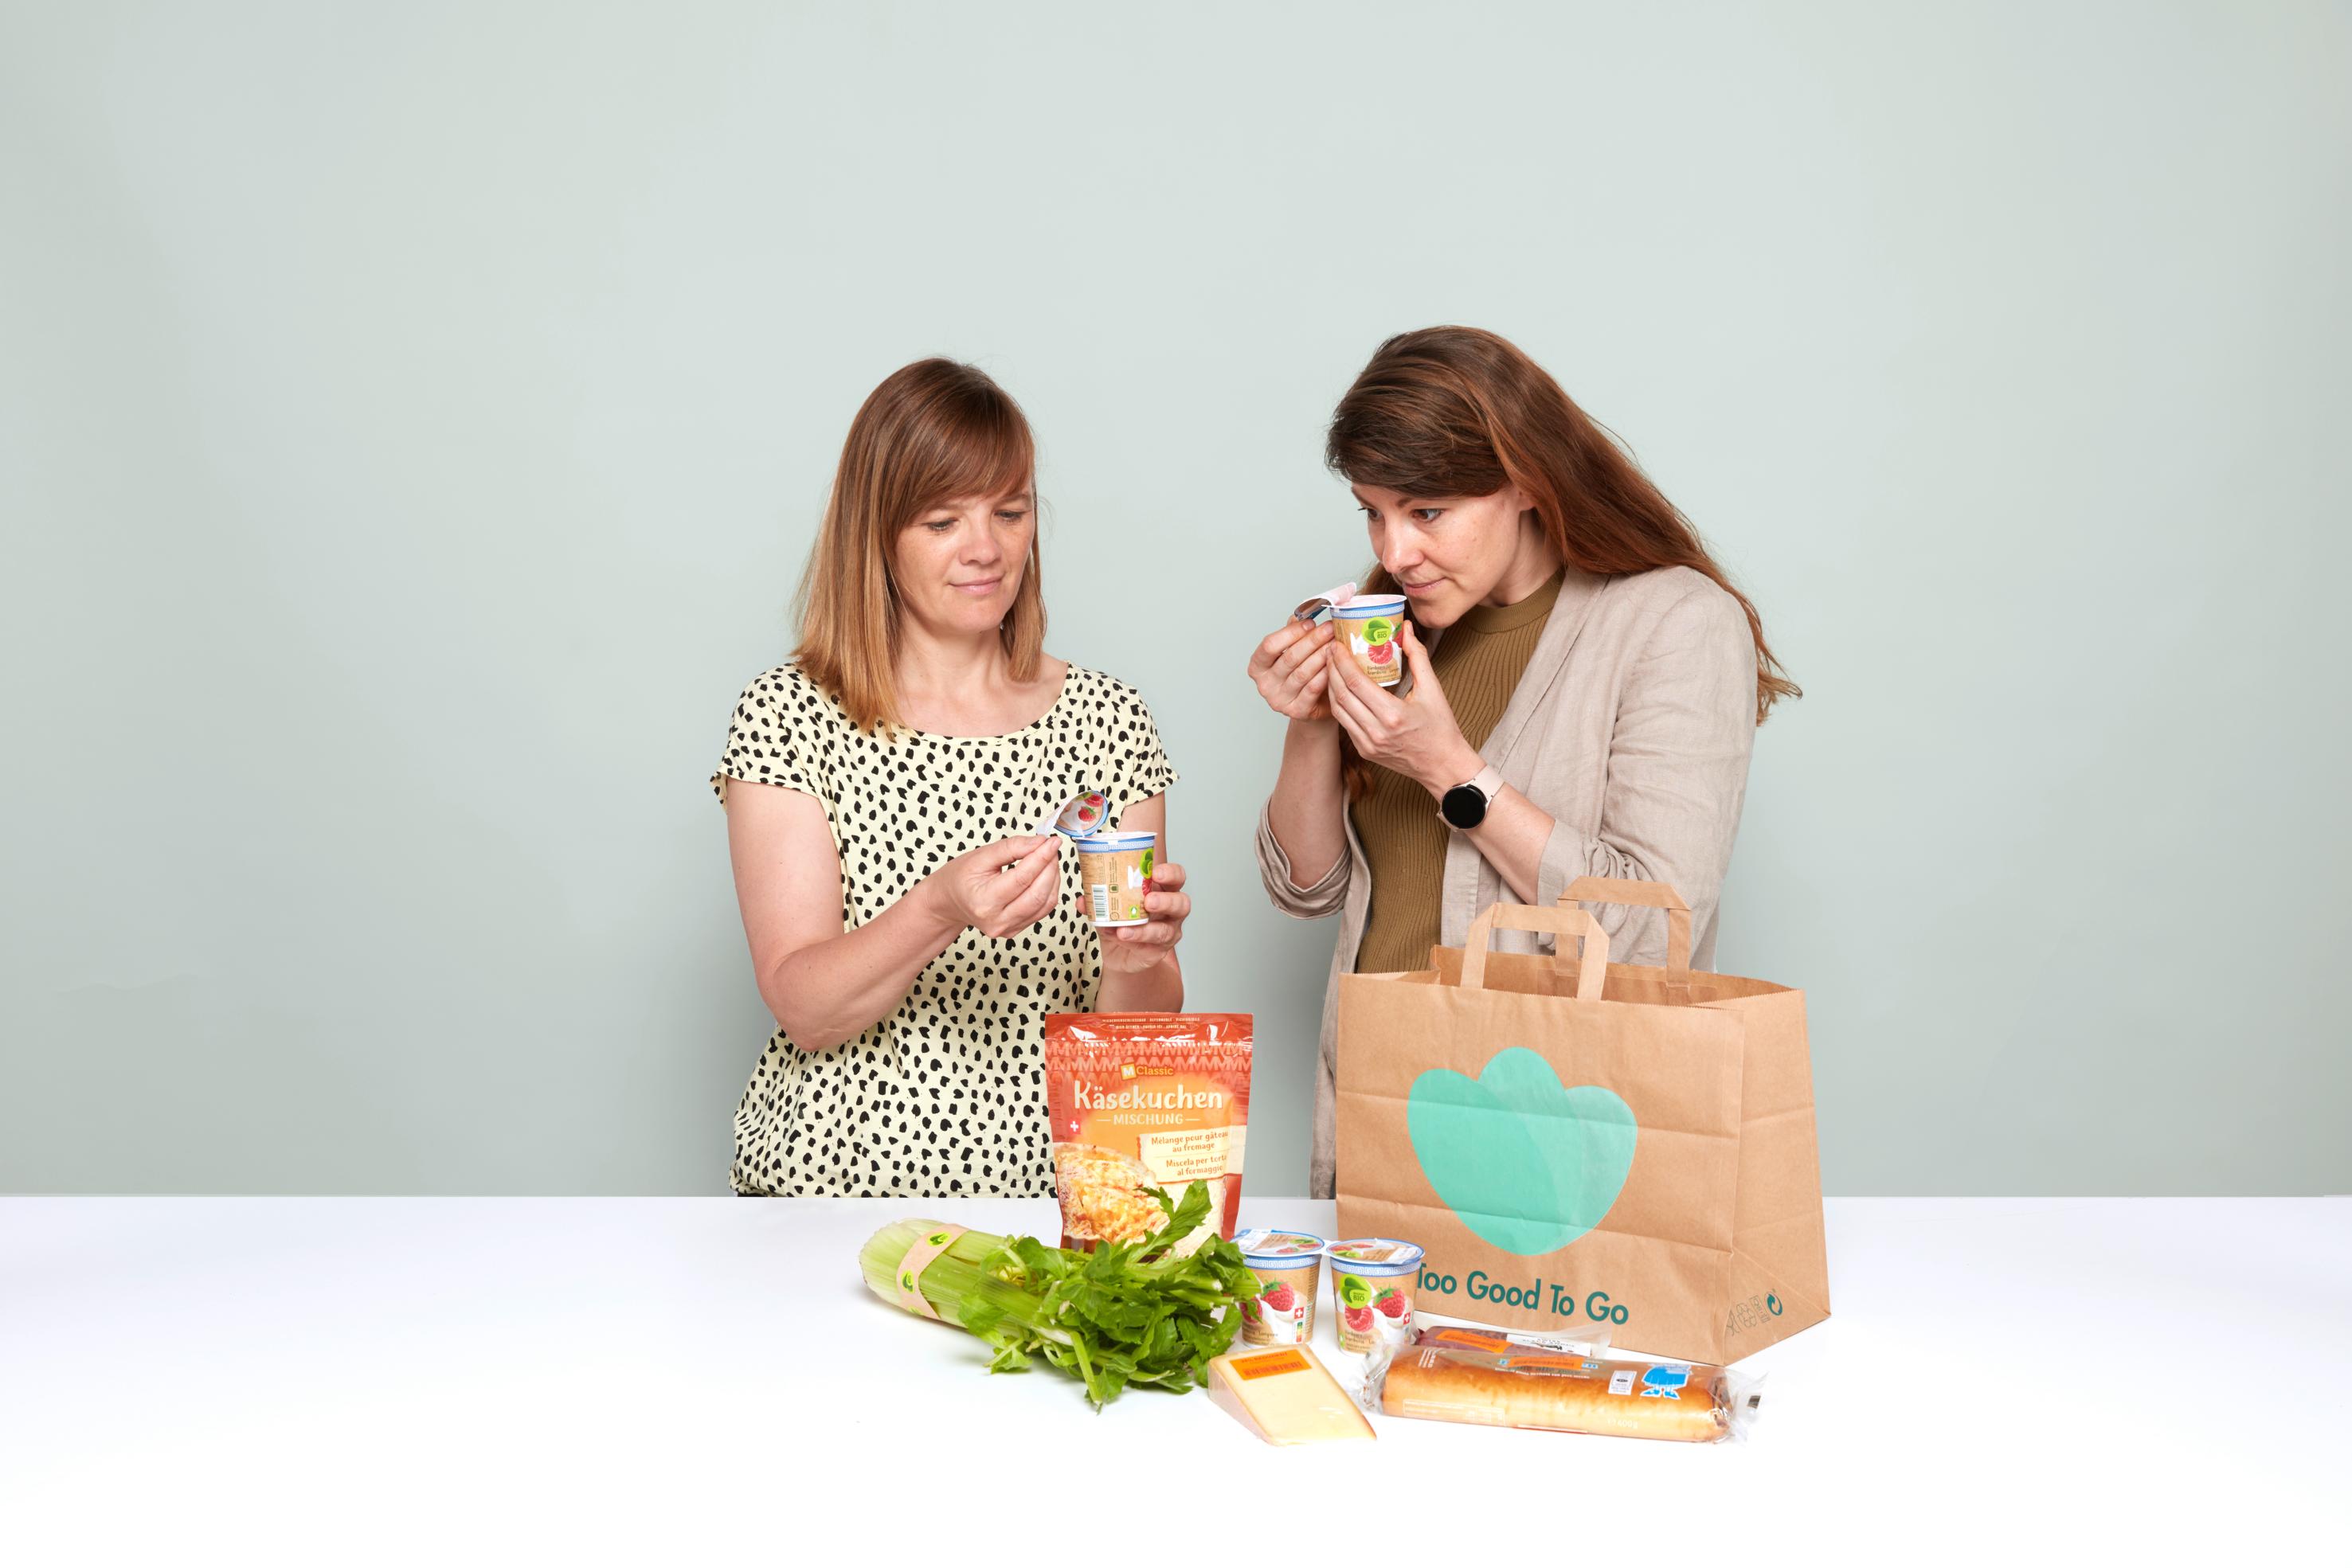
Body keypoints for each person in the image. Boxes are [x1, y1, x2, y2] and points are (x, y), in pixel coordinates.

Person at [1248, 326, 1798, 1197]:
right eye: (1373, 511)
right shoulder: (1398, 631)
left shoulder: (1673, 624)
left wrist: (1451, 773)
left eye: (1426, 512)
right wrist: (1312, 721)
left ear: (1527, 484)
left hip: (1552, 1160)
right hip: (1373, 1130)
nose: (1394, 553)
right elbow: (1305, 889)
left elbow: (1654, 932)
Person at [712, 359, 1189, 1196]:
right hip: (832, 1201)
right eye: (942, 521)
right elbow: (805, 1008)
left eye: (1011, 511)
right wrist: (937, 907)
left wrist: (1137, 955)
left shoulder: (1108, 720)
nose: (986, 549)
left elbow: (1131, 1041)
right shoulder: (788, 716)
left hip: (1061, 1202)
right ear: (878, 534)